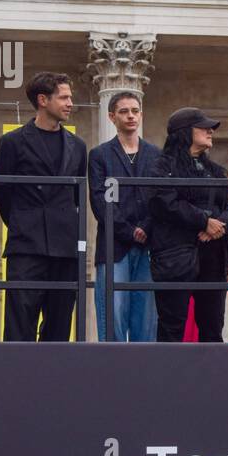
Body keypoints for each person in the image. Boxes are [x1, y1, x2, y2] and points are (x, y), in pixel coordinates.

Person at [0, 72, 88, 342]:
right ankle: (15, 380)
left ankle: (54, 381)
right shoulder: (13, 142)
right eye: (64, 97)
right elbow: (2, 190)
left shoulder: (78, 146)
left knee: (59, 324)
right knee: (19, 321)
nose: (70, 103)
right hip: (26, 244)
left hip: (65, 246)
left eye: (70, 97)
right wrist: (23, 223)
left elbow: (77, 195)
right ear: (43, 100)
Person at [148, 107, 228, 343]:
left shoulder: (216, 172)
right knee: (171, 327)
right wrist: (204, 221)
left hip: (214, 257)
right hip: (175, 256)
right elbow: (165, 202)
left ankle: (212, 379)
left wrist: (219, 227)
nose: (210, 131)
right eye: (204, 127)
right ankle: (168, 378)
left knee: (212, 328)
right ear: (185, 132)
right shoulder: (160, 167)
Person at [88, 91, 161, 342]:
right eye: (123, 111)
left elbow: (161, 198)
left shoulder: (155, 155)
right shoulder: (100, 155)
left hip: (148, 245)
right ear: (111, 116)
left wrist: (146, 227)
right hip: (114, 245)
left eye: (135, 111)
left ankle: (144, 376)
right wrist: (130, 231)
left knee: (146, 318)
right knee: (113, 314)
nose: (130, 116)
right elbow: (100, 201)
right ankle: (112, 374)